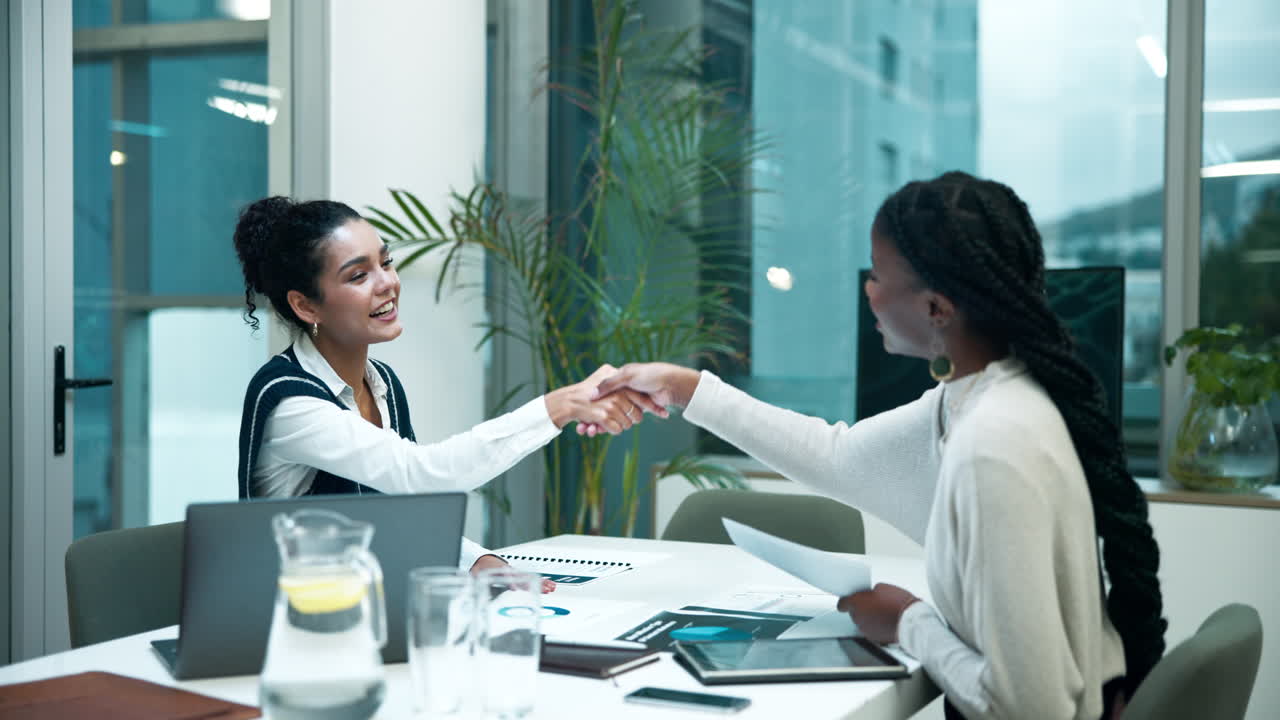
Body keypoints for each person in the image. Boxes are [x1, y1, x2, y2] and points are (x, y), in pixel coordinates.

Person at [591, 172, 1166, 719]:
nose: (867, 290)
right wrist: (686, 387)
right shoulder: (972, 400)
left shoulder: (994, 443)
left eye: (877, 275)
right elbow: (835, 458)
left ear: (936, 308)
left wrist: (909, 621)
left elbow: (1032, 710)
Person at [232, 196, 660, 586]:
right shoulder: (290, 402)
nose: (386, 283)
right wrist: (556, 408)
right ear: (306, 306)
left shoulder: (381, 384)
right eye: (359, 275)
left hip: (366, 614)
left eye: (387, 262)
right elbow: (422, 476)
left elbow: (403, 512)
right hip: (296, 632)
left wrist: (476, 561)